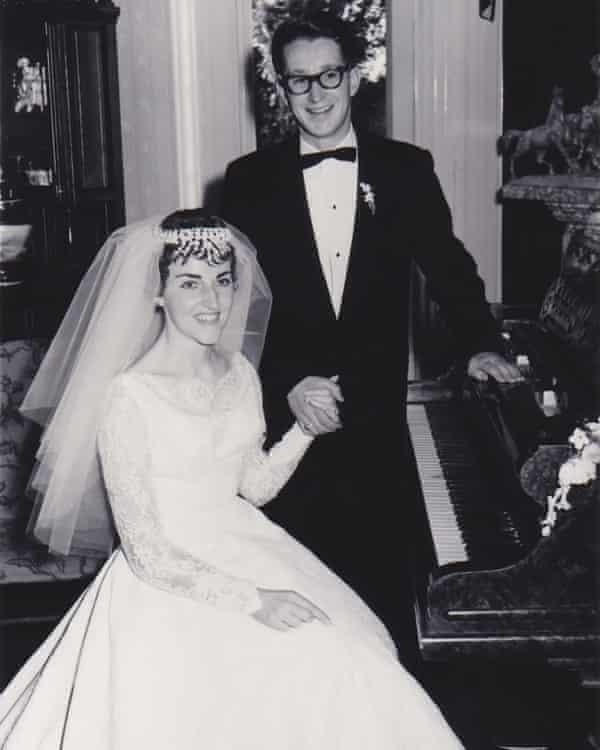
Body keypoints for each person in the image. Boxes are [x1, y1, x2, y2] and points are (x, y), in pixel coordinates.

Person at [0, 209, 465, 748]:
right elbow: (147, 551)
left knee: (358, 655)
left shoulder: (240, 373)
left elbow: (256, 486)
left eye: (223, 282)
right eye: (190, 283)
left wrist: (305, 429)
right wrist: (253, 600)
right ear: (157, 292)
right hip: (171, 577)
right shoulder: (128, 396)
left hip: (248, 541)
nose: (213, 302)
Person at [221, 9, 522, 669]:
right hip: (281, 435)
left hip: (378, 430)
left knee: (379, 617)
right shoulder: (245, 183)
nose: (317, 94)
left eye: (329, 75)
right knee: (293, 625)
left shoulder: (405, 170)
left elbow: (451, 268)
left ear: (354, 77)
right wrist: (287, 382)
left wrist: (480, 342)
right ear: (279, 86)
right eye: (299, 81)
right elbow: (232, 314)